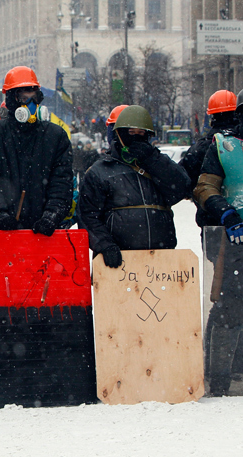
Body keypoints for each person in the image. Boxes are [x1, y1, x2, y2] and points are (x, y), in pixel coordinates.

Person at [78, 105, 190, 268]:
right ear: (117, 133)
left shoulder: (157, 165)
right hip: (118, 263)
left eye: (141, 133)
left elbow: (181, 187)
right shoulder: (99, 171)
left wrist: (153, 159)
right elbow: (87, 215)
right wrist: (105, 245)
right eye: (131, 133)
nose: (136, 138)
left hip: (161, 262)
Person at [0, 66, 73, 235]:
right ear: (12, 101)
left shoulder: (56, 136)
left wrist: (51, 216)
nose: (31, 104)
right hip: (0, 235)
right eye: (24, 98)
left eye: (34, 98)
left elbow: (61, 183)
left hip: (44, 235)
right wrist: (0, 214)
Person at [193, 90, 243, 396]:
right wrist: (225, 211)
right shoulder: (223, 146)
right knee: (228, 308)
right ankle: (220, 378)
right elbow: (204, 187)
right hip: (234, 238)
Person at [180, 90, 238, 231]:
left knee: (215, 253)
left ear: (212, 116)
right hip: (239, 217)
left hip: (211, 221)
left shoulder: (200, 148)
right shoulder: (238, 144)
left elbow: (182, 182)